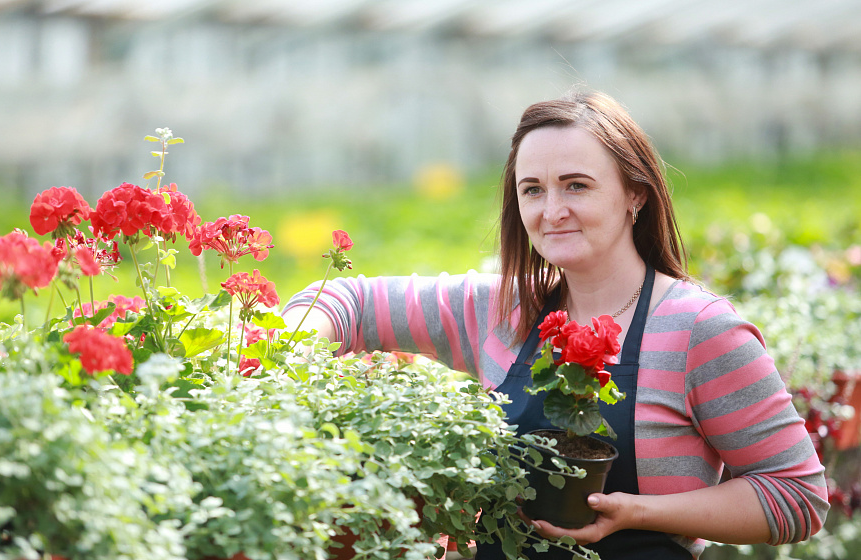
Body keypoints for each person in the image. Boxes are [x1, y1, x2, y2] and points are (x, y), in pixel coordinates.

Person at [281, 90, 828, 559]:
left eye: (577, 185)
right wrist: (291, 363)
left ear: (635, 193)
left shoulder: (699, 330)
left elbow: (797, 496)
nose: (552, 211)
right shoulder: (503, 310)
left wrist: (637, 513)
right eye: (533, 189)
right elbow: (340, 299)